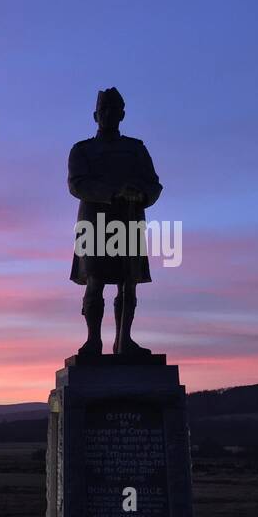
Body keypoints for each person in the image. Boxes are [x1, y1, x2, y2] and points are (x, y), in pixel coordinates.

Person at [68, 87, 162, 356]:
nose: (109, 115)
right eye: (104, 110)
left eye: (114, 110)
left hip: (129, 220)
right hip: (94, 222)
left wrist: (141, 194)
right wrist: (112, 193)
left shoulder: (135, 149)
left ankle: (125, 341)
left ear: (122, 114)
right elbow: (77, 184)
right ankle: (93, 342)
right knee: (95, 280)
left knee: (127, 281)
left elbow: (154, 184)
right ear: (95, 115)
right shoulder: (82, 150)